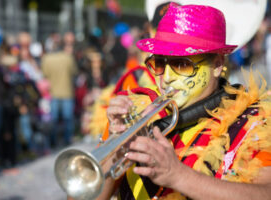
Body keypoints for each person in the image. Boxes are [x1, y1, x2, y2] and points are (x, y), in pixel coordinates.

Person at [98, 3, 271, 200]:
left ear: (217, 64)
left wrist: (179, 176)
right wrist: (113, 151)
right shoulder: (135, 111)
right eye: (160, 63)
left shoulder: (254, 123)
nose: (167, 78)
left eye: (182, 64)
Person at [41, 32, 78, 146]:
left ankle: (54, 142)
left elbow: (45, 74)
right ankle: (67, 141)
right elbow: (74, 72)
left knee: (54, 120)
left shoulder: (46, 58)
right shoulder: (68, 57)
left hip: (54, 92)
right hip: (67, 92)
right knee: (68, 120)